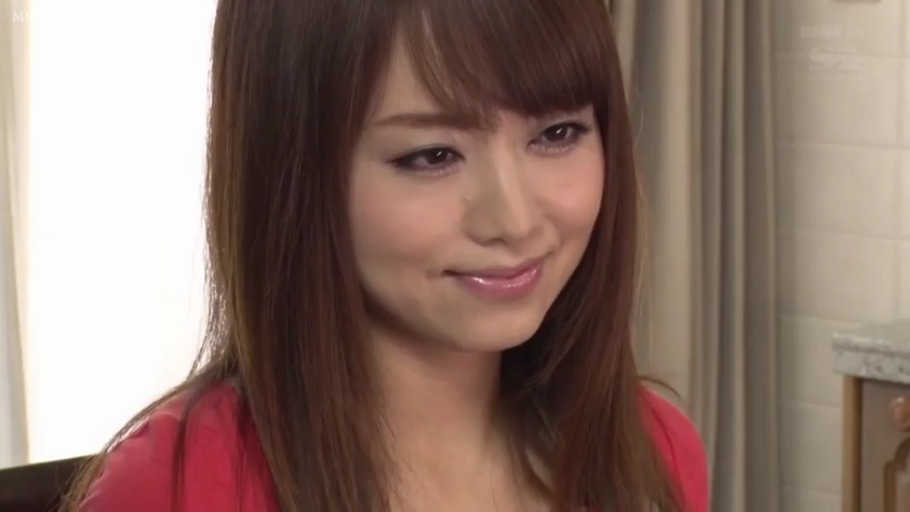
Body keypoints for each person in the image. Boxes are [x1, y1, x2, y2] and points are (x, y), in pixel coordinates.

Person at [62, 0, 709, 511]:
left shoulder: (651, 451)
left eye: (557, 134)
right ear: (292, 171)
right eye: (432, 155)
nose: (513, 220)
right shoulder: (177, 490)